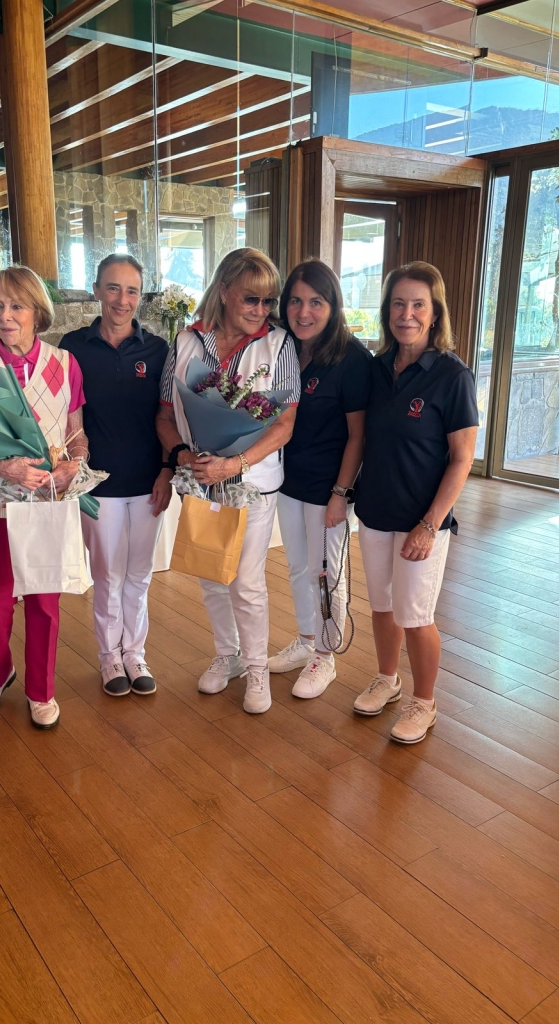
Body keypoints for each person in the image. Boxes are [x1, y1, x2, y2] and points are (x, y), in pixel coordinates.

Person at [157, 247, 300, 714]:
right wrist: (182, 455)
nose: (260, 310)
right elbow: (164, 415)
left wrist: (235, 464)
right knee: (211, 574)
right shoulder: (185, 341)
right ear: (224, 291)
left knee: (246, 580)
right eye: (250, 298)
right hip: (199, 478)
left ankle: (257, 668)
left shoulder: (278, 345)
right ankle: (229, 655)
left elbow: (284, 424)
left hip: (252, 480)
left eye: (268, 301)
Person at [0, 266, 88, 730]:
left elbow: (76, 432)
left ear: (37, 312)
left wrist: (74, 464)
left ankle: (41, 689)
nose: (5, 316)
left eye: (16, 306)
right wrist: (2, 467)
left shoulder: (64, 363)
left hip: (45, 499)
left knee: (44, 598)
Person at [353, 261, 478, 744]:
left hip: (421, 520)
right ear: (388, 311)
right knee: (382, 607)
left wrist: (430, 524)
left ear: (434, 312)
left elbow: (462, 459)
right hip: (375, 511)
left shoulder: (452, 375)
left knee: (416, 615)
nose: (407, 314)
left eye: (418, 305)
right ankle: (387, 679)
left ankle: (424, 702)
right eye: (398, 304)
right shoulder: (377, 368)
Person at [61, 254, 172, 696]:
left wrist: (167, 471)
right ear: (96, 290)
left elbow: (169, 417)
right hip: (97, 483)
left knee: (139, 574)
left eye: (131, 291)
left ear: (140, 297)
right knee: (107, 575)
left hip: (149, 482)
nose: (122, 300)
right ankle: (110, 657)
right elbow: (67, 416)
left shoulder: (158, 350)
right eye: (113, 288)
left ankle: (135, 654)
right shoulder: (72, 347)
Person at [269, 260, 371, 697]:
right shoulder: (283, 350)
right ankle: (307, 640)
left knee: (326, 573)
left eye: (316, 302)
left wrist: (340, 494)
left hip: (330, 488)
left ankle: (326, 656)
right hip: (288, 481)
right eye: (295, 301)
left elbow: (358, 435)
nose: (303, 312)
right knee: (297, 568)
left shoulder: (352, 359)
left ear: (333, 306)